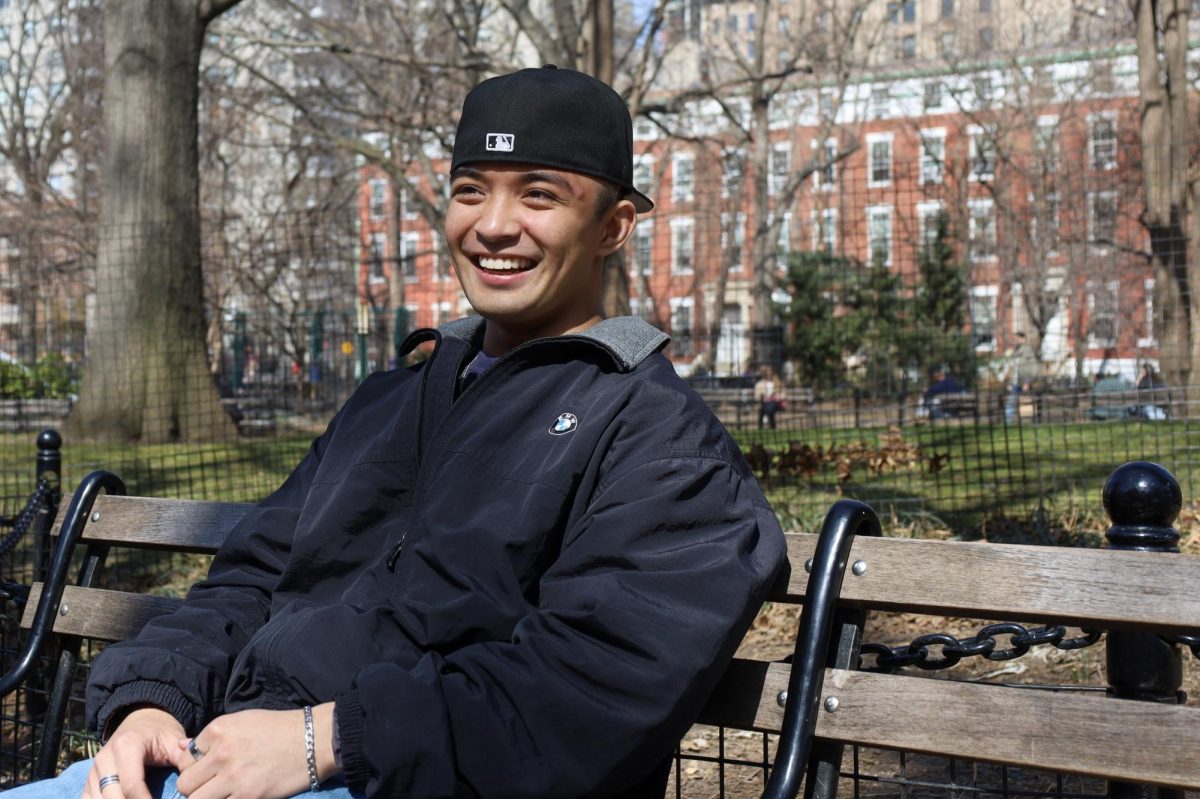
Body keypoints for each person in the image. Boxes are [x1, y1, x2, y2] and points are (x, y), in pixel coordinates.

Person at [13, 66, 785, 799]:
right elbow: (252, 578)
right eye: (470, 191)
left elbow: (590, 691)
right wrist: (153, 703)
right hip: (231, 760)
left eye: (540, 195)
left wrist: (328, 739)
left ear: (612, 227)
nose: (493, 225)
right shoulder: (391, 400)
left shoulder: (658, 438)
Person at [1003, 332, 1039, 424]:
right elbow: (1012, 367)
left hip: (1024, 381)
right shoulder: (1015, 351)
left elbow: (1033, 367)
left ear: (1023, 339)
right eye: (1015, 338)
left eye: (1018, 338)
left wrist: (1027, 381)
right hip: (1015, 382)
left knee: (1027, 402)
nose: (1016, 340)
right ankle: (1008, 422)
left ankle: (1034, 422)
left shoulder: (1027, 350)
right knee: (1011, 402)